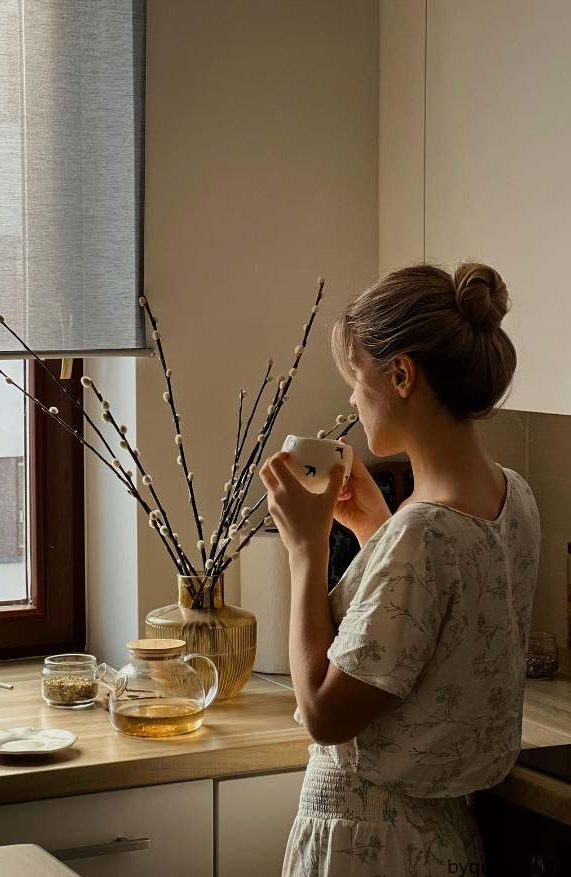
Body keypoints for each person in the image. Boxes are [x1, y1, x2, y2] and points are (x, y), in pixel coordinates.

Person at [259, 262, 540, 876]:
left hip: (368, 848)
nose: (353, 402)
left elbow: (326, 717)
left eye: (356, 381)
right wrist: (372, 529)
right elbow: (435, 626)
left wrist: (305, 548)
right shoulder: (512, 495)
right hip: (442, 844)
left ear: (402, 374)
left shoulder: (422, 532)